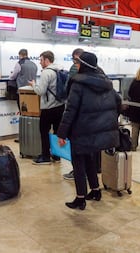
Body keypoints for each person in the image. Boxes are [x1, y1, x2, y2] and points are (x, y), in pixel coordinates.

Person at [56, 52, 121, 210]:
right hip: (95, 130)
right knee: (90, 160)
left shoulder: (78, 84)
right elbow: (118, 103)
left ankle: (80, 198)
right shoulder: (106, 82)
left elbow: (70, 110)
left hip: (80, 130)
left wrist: (62, 133)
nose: (76, 65)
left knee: (78, 164)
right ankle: (96, 190)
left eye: (77, 62)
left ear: (83, 64)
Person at [28, 50, 65, 164]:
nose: (40, 62)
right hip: (60, 105)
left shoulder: (46, 72)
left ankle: (45, 156)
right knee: (57, 132)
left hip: (48, 108)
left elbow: (40, 91)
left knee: (44, 131)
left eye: (41, 60)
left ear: (47, 60)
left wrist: (34, 84)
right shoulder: (60, 69)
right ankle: (57, 155)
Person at [63, 48, 84, 180]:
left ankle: (77, 171)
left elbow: (68, 89)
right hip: (91, 116)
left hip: (78, 114)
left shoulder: (74, 69)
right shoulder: (97, 70)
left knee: (76, 146)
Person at [9, 49, 38, 143]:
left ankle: (23, 137)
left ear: (20, 55)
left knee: (23, 114)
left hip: (22, 93)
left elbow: (13, 76)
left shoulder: (19, 63)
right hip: (33, 92)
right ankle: (32, 136)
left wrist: (10, 77)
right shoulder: (34, 64)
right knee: (32, 115)